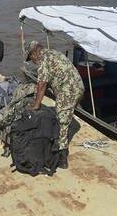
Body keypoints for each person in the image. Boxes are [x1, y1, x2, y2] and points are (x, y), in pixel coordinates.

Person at [25, 41, 85, 169]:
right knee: (65, 115)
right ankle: (60, 140)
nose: (32, 61)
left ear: (34, 53)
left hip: (68, 90)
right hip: (79, 87)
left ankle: (62, 157)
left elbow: (42, 84)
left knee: (62, 121)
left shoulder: (42, 60)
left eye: (31, 58)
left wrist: (36, 105)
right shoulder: (53, 53)